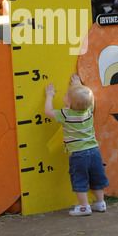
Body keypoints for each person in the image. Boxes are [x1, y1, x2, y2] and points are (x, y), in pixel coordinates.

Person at [44, 73, 109, 216]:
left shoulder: (66, 114)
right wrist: (78, 85)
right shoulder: (89, 110)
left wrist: (49, 96)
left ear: (69, 104)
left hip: (79, 155)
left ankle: (84, 206)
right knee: (97, 177)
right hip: (94, 151)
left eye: (66, 95)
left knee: (80, 180)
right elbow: (89, 99)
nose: (65, 95)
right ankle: (100, 203)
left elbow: (48, 111)